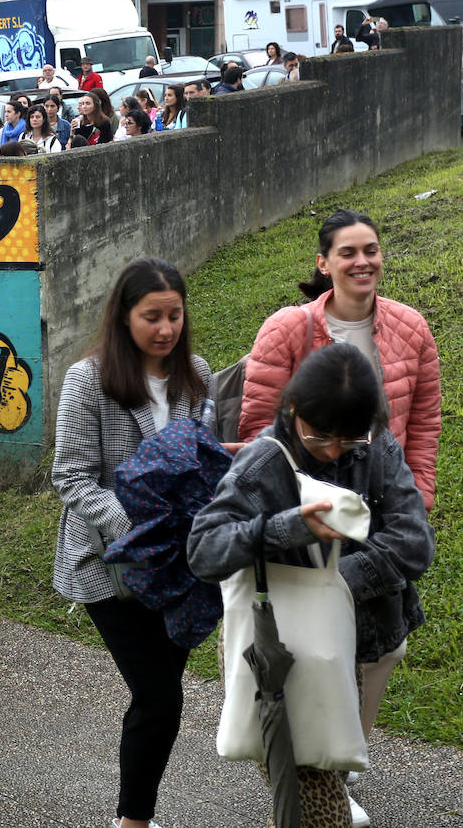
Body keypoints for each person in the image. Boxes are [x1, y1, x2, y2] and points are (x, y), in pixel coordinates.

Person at [189, 343, 435, 828]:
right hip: (280, 658)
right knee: (319, 812)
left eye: (350, 440)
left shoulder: (376, 445)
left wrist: (335, 584)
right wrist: (287, 529)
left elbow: (414, 542)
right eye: (321, 436)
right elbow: (204, 550)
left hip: (356, 647)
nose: (333, 451)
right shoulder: (263, 462)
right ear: (293, 409)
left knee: (320, 785)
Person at [51, 257, 211, 828]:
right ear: (123, 316)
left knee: (160, 700)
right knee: (160, 696)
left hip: (180, 570)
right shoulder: (88, 378)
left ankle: (132, 817)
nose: (165, 328)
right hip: (109, 567)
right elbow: (70, 475)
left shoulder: (198, 373)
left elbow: (204, 462)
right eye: (152, 317)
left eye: (174, 315)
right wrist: (135, 528)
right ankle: (133, 821)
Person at [241, 209, 440, 512]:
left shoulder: (411, 327)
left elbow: (424, 425)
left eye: (370, 251)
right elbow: (259, 426)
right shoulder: (286, 330)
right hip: (306, 506)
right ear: (323, 263)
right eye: (348, 253)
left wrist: (418, 498)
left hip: (384, 500)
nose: (362, 262)